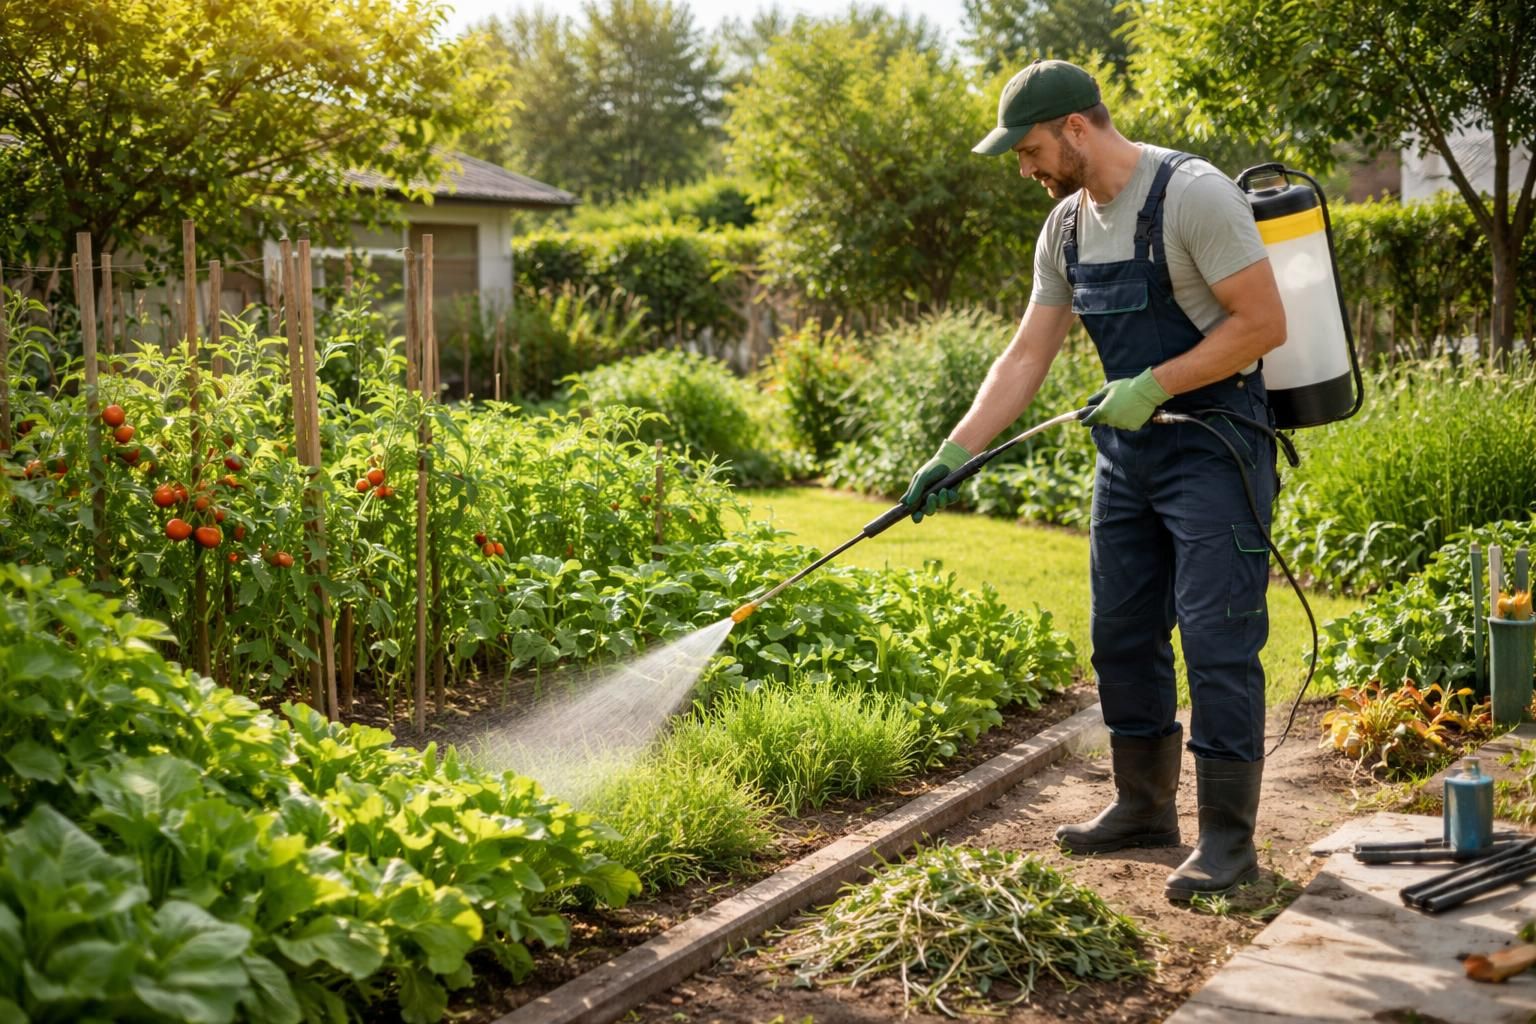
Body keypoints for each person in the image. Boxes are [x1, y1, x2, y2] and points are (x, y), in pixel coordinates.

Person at [902, 59, 1286, 902]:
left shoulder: (1192, 195)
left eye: (1030, 149)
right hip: (1129, 457)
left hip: (1216, 444)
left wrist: (1155, 384)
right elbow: (1027, 354)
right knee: (1120, 636)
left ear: (1075, 127)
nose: (1025, 168)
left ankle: (1230, 844)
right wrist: (954, 451)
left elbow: (1262, 324)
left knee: (1218, 641)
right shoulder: (1066, 227)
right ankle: (1143, 808)